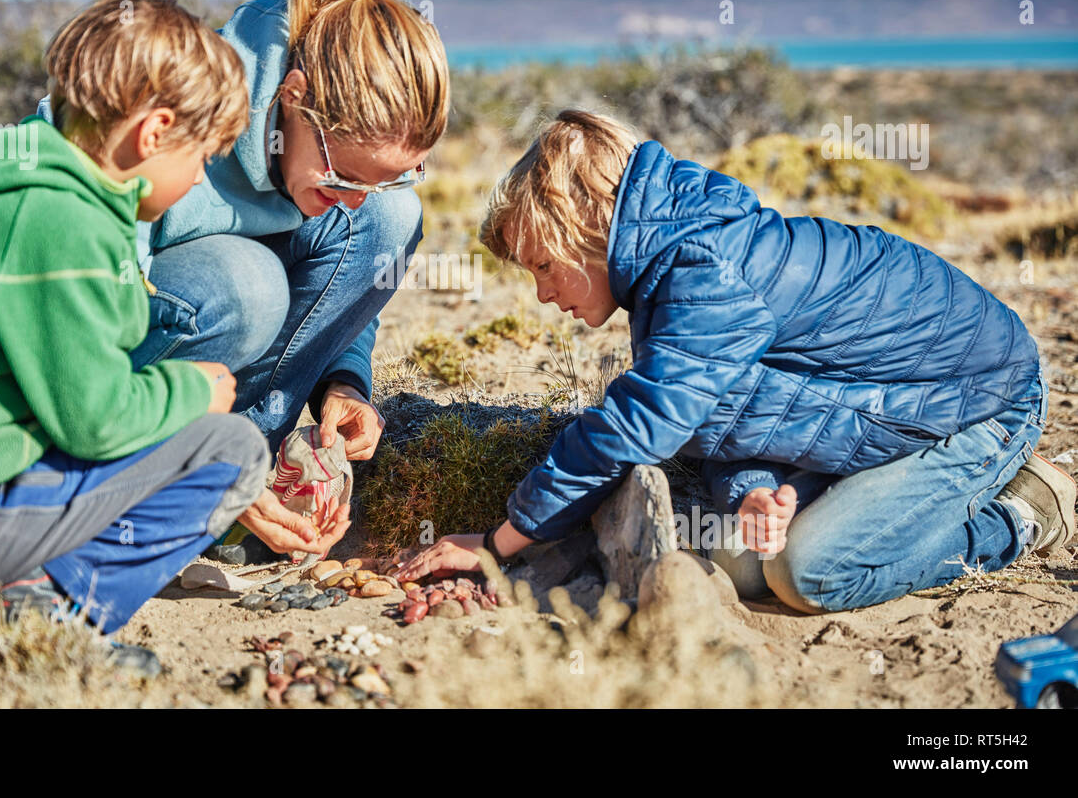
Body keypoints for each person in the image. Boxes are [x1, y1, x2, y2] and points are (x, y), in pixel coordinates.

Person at [0, 0, 347, 668]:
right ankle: (46, 615)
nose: (199, 184)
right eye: (200, 159)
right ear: (153, 133)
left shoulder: (37, 196)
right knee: (231, 451)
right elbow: (95, 421)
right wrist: (188, 394)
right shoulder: (63, 225)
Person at [395, 109, 1076, 614]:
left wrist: (496, 542)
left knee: (809, 574)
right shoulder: (669, 274)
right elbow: (728, 414)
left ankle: (1019, 514)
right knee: (740, 565)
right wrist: (754, 489)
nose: (543, 294)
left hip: (981, 402)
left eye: (544, 265)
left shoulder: (705, 268)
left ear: (585, 229)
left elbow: (637, 427)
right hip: (891, 407)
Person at [36, 0, 450, 471]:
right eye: (343, 175)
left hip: (173, 342)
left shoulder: (324, 168)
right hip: (84, 341)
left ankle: (252, 467)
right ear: (293, 95)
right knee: (249, 285)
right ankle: (176, 477)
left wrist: (343, 378)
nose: (351, 200)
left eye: (380, 180)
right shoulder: (175, 118)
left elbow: (342, 274)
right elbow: (70, 315)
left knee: (390, 218)